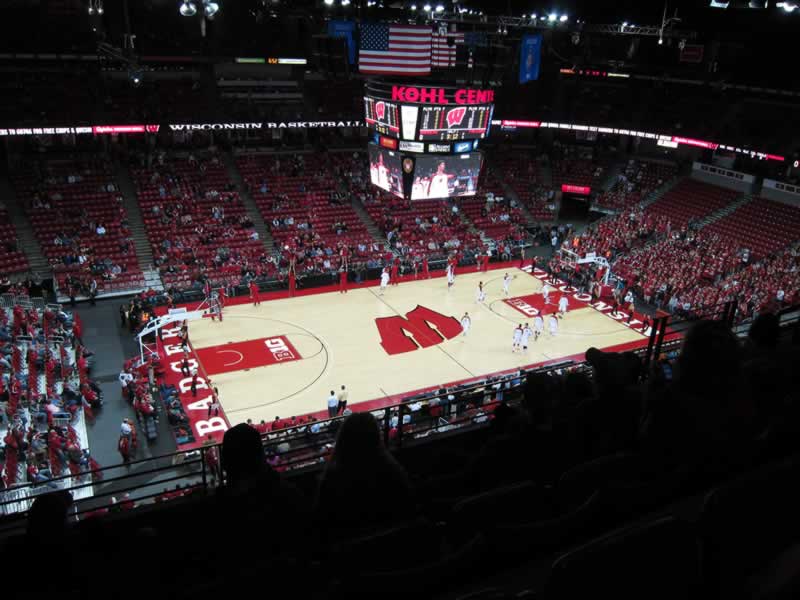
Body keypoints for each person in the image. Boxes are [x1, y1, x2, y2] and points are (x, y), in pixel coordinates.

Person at [315, 413, 413, 535]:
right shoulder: (392, 470)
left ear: (342, 439)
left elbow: (322, 519)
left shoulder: (332, 478)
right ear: (377, 437)